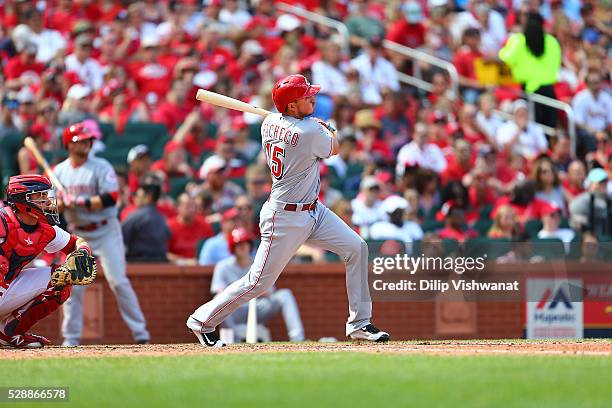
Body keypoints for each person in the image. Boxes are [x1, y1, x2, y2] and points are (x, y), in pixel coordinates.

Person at [187, 74, 389, 346]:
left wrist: (309, 123)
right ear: (291, 107)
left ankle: (359, 323)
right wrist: (328, 128)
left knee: (357, 247)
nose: (313, 98)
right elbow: (336, 146)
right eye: (306, 96)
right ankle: (201, 321)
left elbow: (290, 126)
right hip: (284, 217)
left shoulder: (270, 122)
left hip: (313, 211)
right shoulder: (309, 131)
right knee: (257, 282)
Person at [54, 123, 149, 346]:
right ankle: (71, 338)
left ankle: (141, 334)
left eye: (88, 140)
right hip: (80, 234)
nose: (86, 143)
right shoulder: (59, 172)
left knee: (118, 282)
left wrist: (79, 201)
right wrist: (62, 204)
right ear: (69, 144)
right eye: (80, 140)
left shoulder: (101, 166)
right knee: (75, 285)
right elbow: (51, 208)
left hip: (106, 230)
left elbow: (111, 198)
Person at [0, 175, 94, 348]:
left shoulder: (46, 229)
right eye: (40, 196)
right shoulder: (2, 220)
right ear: (22, 199)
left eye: (46, 195)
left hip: (6, 291)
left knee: (62, 278)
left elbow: (76, 242)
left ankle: (9, 332)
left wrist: (83, 253)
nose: (47, 201)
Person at [211, 228, 305, 342]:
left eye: (245, 244)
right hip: (235, 309)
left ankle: (297, 338)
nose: (242, 247)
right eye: (238, 244)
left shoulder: (260, 264)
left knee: (285, 295)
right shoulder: (223, 266)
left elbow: (269, 291)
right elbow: (219, 292)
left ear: (250, 246)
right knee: (218, 300)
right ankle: (232, 340)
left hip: (257, 306)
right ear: (233, 248)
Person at [499, 12, 561, 128]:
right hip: (549, 90)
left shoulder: (519, 40)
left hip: (529, 91)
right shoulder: (552, 41)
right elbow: (557, 63)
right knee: (548, 127)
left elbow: (505, 58)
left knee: (535, 127)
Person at [121, 180, 170, 262]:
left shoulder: (137, 216)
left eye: (137, 195)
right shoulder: (162, 218)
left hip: (137, 265)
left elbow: (120, 236)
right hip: (161, 266)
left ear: (148, 197)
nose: (134, 198)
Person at [167, 193, 214, 265]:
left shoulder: (205, 225)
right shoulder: (169, 227)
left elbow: (212, 250)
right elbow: (164, 254)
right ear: (178, 207)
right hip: (175, 268)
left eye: (194, 206)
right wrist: (184, 262)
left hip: (200, 268)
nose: (191, 209)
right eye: (187, 206)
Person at [570, 168, 612, 236]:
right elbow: (577, 226)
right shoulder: (581, 201)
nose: (603, 184)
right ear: (590, 184)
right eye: (600, 182)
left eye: (605, 181)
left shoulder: (609, 200)